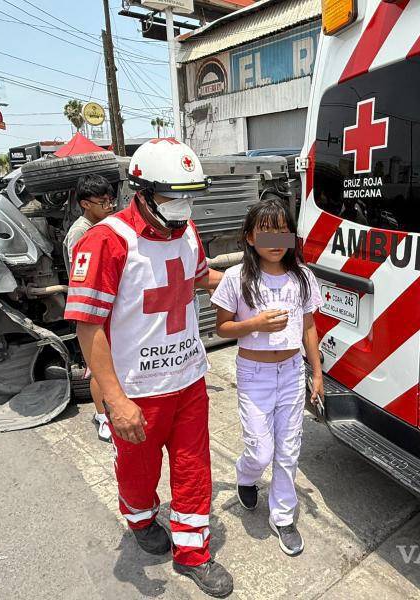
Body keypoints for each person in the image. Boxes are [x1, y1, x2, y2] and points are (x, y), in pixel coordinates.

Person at [64, 139, 232, 598]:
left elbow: (198, 278)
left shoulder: (188, 231)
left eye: (189, 193)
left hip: (189, 380)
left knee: (194, 469)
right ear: (141, 191)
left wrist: (255, 274)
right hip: (137, 389)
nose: (183, 205)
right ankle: (140, 518)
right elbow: (88, 329)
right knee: (137, 473)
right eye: (172, 194)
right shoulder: (106, 242)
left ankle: (193, 552)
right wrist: (115, 401)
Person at [211, 198, 324, 557]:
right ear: (249, 237)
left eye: (283, 232)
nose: (276, 240)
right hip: (254, 373)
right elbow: (222, 327)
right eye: (266, 232)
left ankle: (283, 517)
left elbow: (309, 328)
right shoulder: (236, 278)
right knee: (261, 450)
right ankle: (247, 474)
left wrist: (316, 372)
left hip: (291, 372)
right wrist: (255, 324)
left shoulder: (302, 277)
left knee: (288, 451)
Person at [63, 174, 116, 442]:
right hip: (93, 309)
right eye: (102, 202)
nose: (109, 206)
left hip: (109, 306)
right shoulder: (81, 232)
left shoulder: (104, 225)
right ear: (85, 203)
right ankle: (101, 415)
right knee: (99, 367)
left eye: (111, 200)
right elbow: (83, 276)